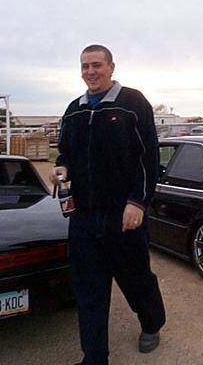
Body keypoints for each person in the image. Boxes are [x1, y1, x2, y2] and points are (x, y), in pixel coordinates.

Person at [50, 45, 166, 365]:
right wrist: (62, 168)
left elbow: (148, 159)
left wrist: (138, 202)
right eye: (85, 66)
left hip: (123, 216)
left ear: (111, 67)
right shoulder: (74, 110)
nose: (90, 72)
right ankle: (95, 358)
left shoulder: (132, 103)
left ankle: (152, 323)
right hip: (84, 218)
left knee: (135, 278)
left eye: (97, 65)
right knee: (88, 290)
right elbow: (65, 152)